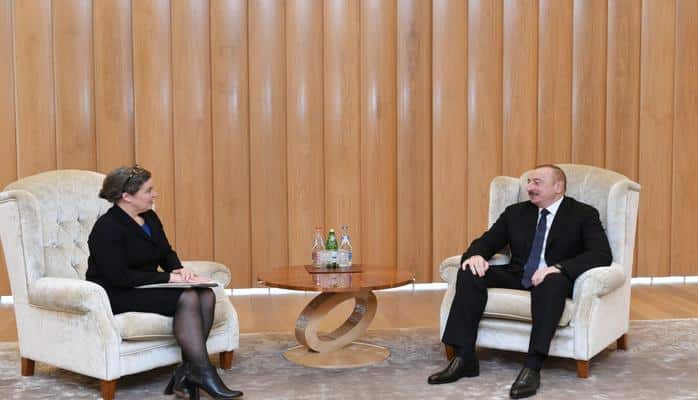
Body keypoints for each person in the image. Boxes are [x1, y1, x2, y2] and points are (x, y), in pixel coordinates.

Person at [428, 164, 612, 399]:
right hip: (518, 275)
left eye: (537, 182)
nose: (530, 187)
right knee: (469, 271)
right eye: (529, 182)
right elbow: (485, 242)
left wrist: (558, 268)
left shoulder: (583, 214)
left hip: (553, 280)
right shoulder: (515, 213)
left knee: (554, 282)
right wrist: (476, 255)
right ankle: (464, 358)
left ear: (558, 187)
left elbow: (601, 254)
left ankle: (532, 367)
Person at [86, 165, 243, 400]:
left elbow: (165, 252)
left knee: (205, 294)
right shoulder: (107, 228)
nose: (155, 194)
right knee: (188, 297)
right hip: (116, 293)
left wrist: (178, 269)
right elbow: (120, 277)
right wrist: (168, 277)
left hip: (145, 286)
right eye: (148, 190)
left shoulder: (149, 217)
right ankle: (202, 372)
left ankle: (188, 372)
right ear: (126, 196)